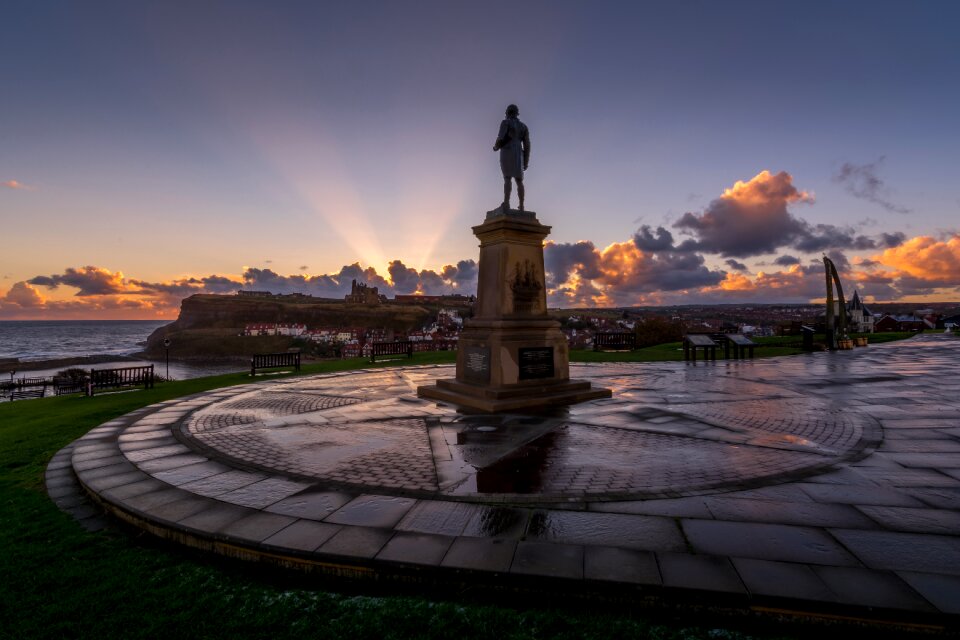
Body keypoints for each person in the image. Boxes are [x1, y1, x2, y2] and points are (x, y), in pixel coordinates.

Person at [493, 104, 531, 211]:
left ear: (507, 113)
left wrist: (496, 147)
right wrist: (526, 160)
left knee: (507, 178)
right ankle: (521, 206)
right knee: (519, 180)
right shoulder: (523, 126)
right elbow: (527, 145)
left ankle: (506, 203)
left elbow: (500, 138)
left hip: (507, 150)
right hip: (519, 152)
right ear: (516, 113)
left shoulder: (506, 122)